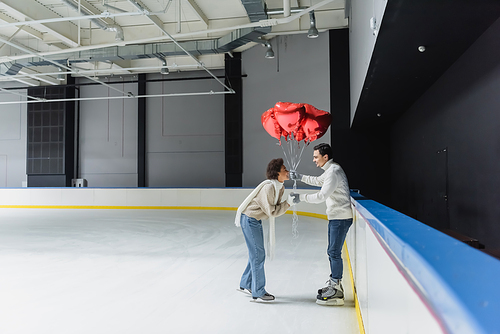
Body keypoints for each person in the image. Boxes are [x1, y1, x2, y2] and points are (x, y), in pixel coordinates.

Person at [289, 143, 353, 306]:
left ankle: (337, 289)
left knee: (333, 251)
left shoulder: (333, 172)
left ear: (325, 157)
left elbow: (322, 196)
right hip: (336, 217)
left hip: (340, 217)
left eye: (316, 157)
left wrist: (301, 198)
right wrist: (300, 177)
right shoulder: (331, 170)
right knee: (332, 251)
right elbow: (318, 181)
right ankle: (334, 284)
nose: (314, 160)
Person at [235, 158, 293, 302]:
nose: (287, 171)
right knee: (258, 255)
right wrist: (288, 204)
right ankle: (258, 291)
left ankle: (246, 283)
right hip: (249, 219)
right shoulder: (269, 187)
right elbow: (272, 212)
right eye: (284, 169)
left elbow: (275, 208)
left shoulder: (280, 187)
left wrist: (286, 204)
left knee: (256, 254)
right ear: (277, 173)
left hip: (255, 220)